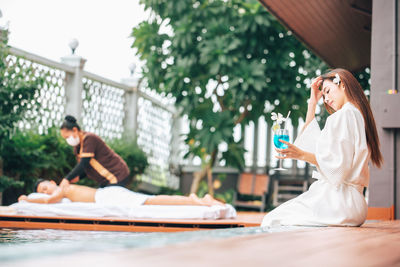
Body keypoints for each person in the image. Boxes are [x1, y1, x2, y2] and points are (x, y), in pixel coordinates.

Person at [261, 68, 383, 227]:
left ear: (343, 84)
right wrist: (312, 102)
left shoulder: (343, 115)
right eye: (323, 95)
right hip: (352, 204)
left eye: (328, 91)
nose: (326, 99)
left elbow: (337, 169)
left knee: (271, 220)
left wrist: (301, 155)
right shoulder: (355, 114)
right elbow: (317, 147)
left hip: (339, 202)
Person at [17, 179, 223, 206]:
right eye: (42, 191)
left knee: (152, 201)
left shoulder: (63, 189)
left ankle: (197, 201)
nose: (45, 192)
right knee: (151, 200)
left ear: (52, 182)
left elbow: (48, 201)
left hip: (108, 196)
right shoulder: (65, 187)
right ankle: (193, 200)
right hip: (109, 194)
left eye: (45, 187)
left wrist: (27, 198)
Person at [59, 115, 130, 188]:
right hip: (105, 180)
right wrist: (79, 177)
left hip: (116, 174)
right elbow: (87, 166)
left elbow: (84, 162)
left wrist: (67, 179)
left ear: (75, 130)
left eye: (67, 137)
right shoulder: (77, 148)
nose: (67, 140)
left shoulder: (89, 139)